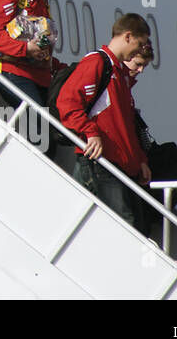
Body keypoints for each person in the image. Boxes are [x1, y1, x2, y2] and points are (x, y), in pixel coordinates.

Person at [56, 13, 153, 229]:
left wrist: (139, 160)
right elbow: (68, 103)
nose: (139, 50)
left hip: (117, 163)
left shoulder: (120, 75)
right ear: (127, 36)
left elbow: (125, 126)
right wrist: (90, 132)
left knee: (133, 224)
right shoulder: (98, 64)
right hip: (103, 161)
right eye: (139, 43)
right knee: (126, 225)